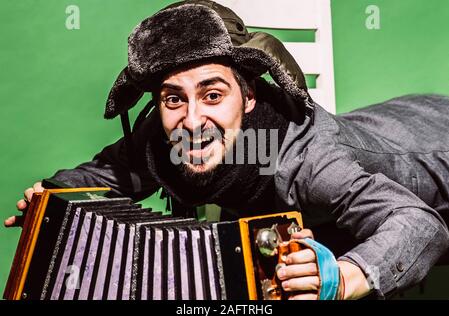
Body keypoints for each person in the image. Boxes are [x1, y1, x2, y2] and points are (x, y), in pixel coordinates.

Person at [5, 0, 449, 300]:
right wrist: (52, 193)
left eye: (213, 95)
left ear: (249, 96)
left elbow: (418, 223)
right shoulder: (164, 139)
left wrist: (344, 277)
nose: (193, 121)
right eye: (174, 98)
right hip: (376, 125)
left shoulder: (307, 161)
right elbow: (112, 171)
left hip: (434, 145)